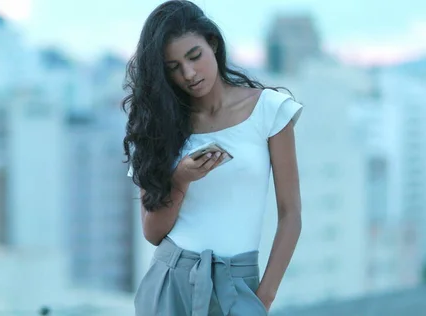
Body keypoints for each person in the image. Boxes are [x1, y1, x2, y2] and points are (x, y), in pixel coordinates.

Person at [122, 1, 302, 315]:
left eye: (194, 56)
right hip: (171, 278)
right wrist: (181, 178)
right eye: (173, 67)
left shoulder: (270, 110)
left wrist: (263, 300)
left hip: (239, 284)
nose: (189, 74)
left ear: (213, 44)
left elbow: (291, 215)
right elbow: (152, 233)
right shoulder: (156, 125)